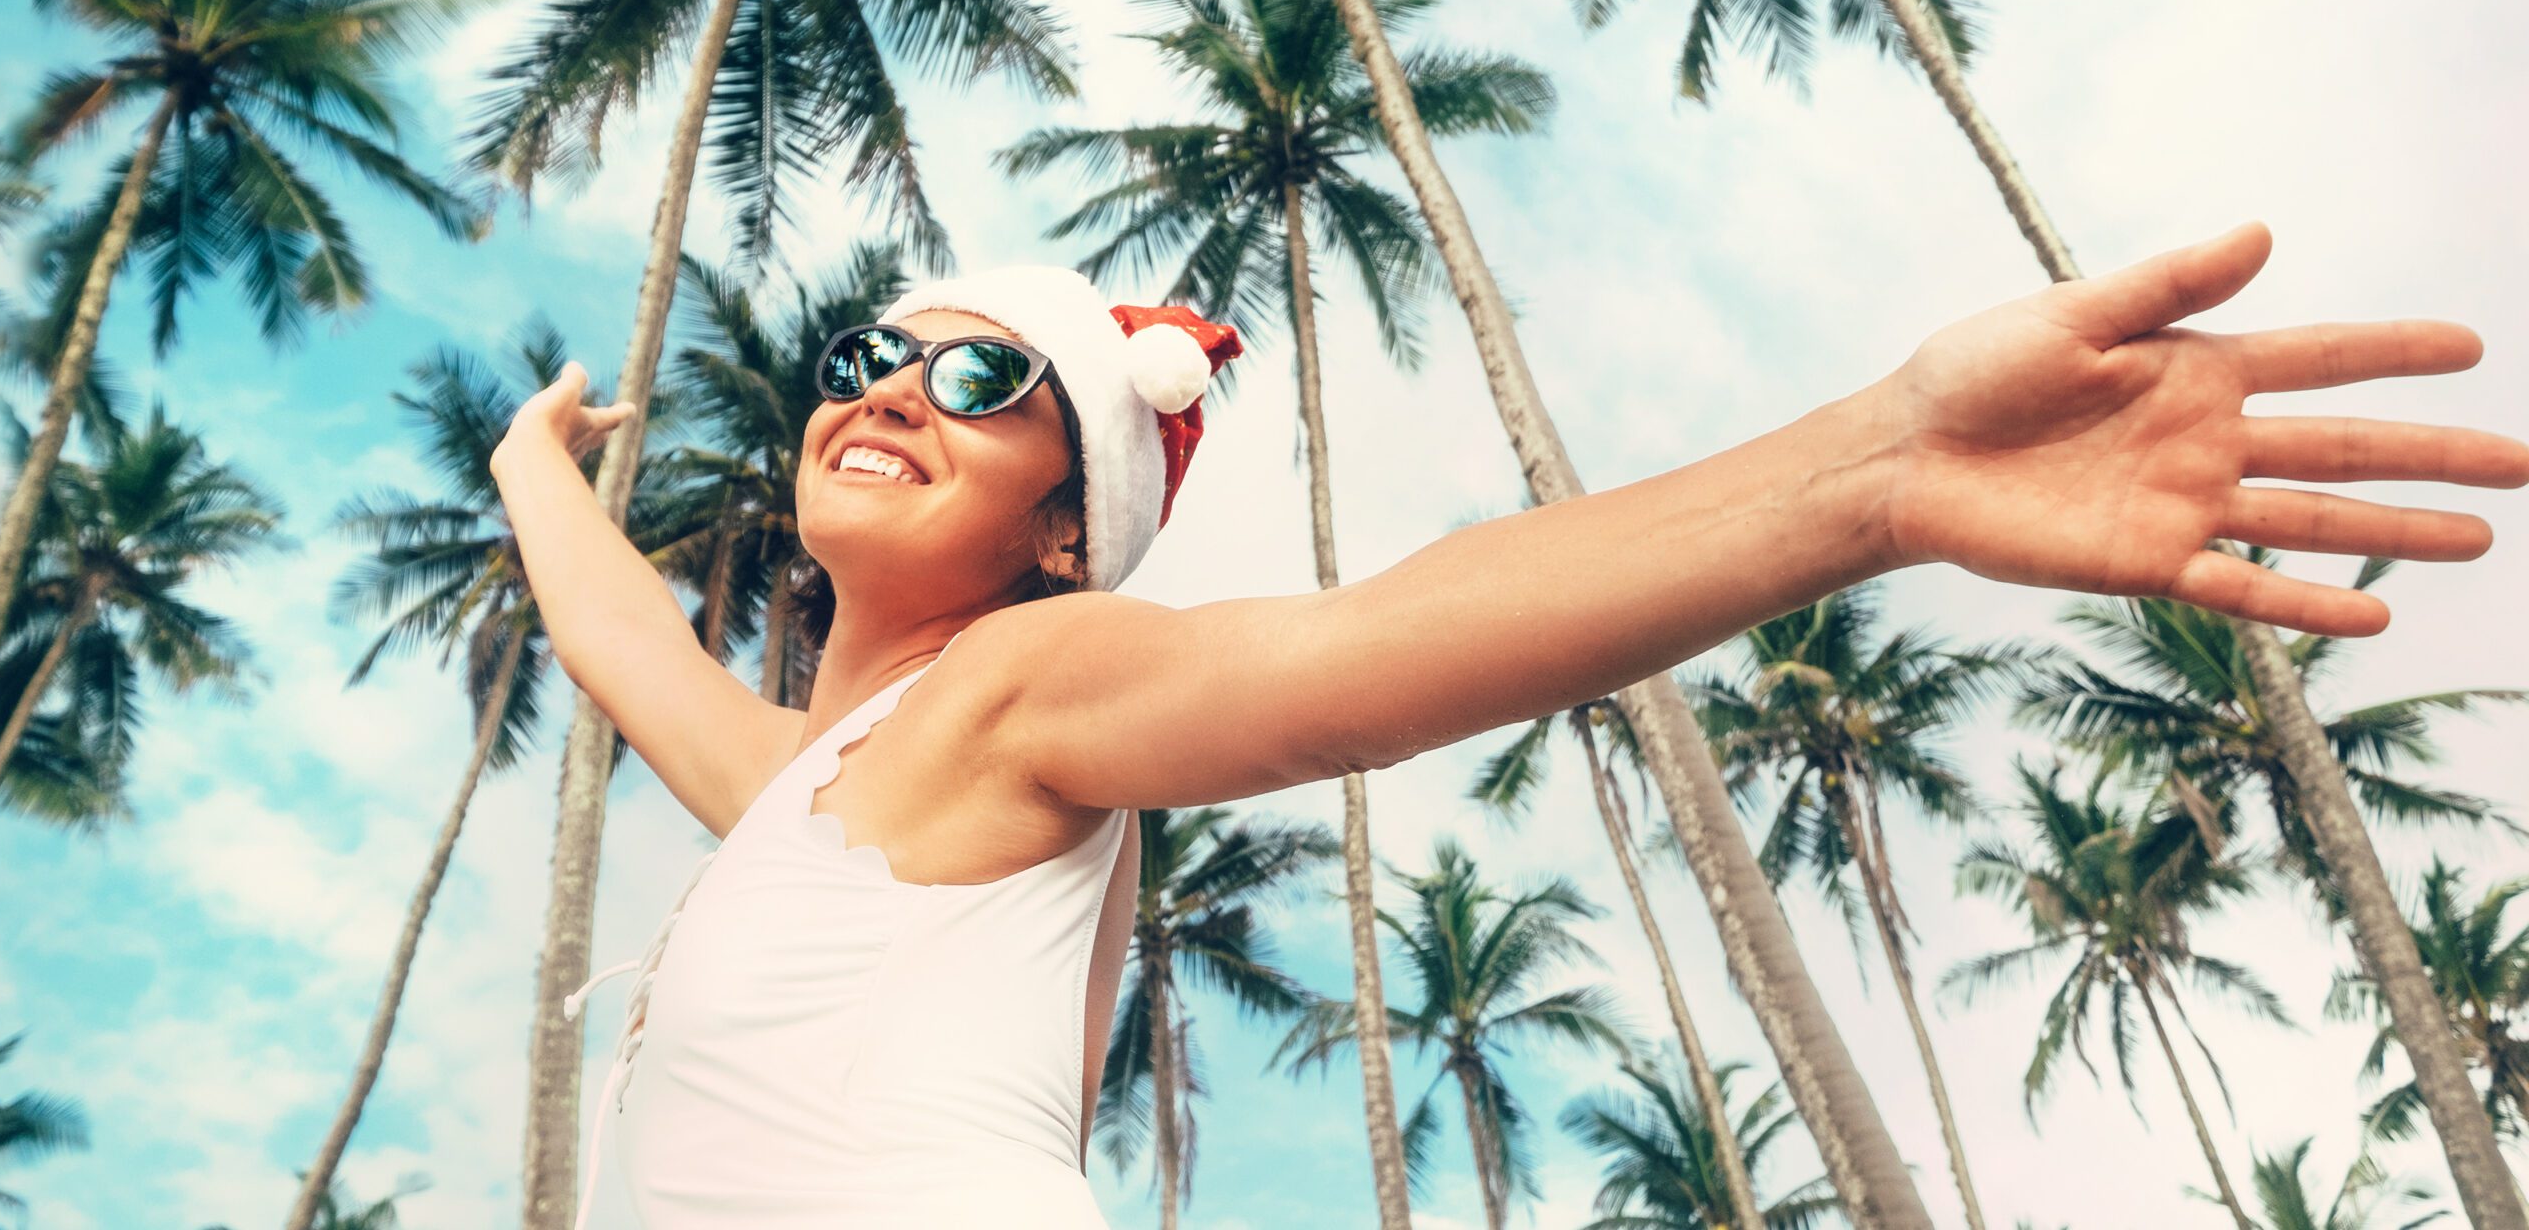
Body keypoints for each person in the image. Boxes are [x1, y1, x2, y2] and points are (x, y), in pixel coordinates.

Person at [496, 226, 2526, 1230]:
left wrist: (1878, 471)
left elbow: (1382, 642)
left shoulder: (1017, 693)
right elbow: (624, 645)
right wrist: (532, 470)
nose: (889, 387)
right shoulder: (811, 793)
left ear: (1061, 535)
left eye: (977, 378)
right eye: (872, 351)